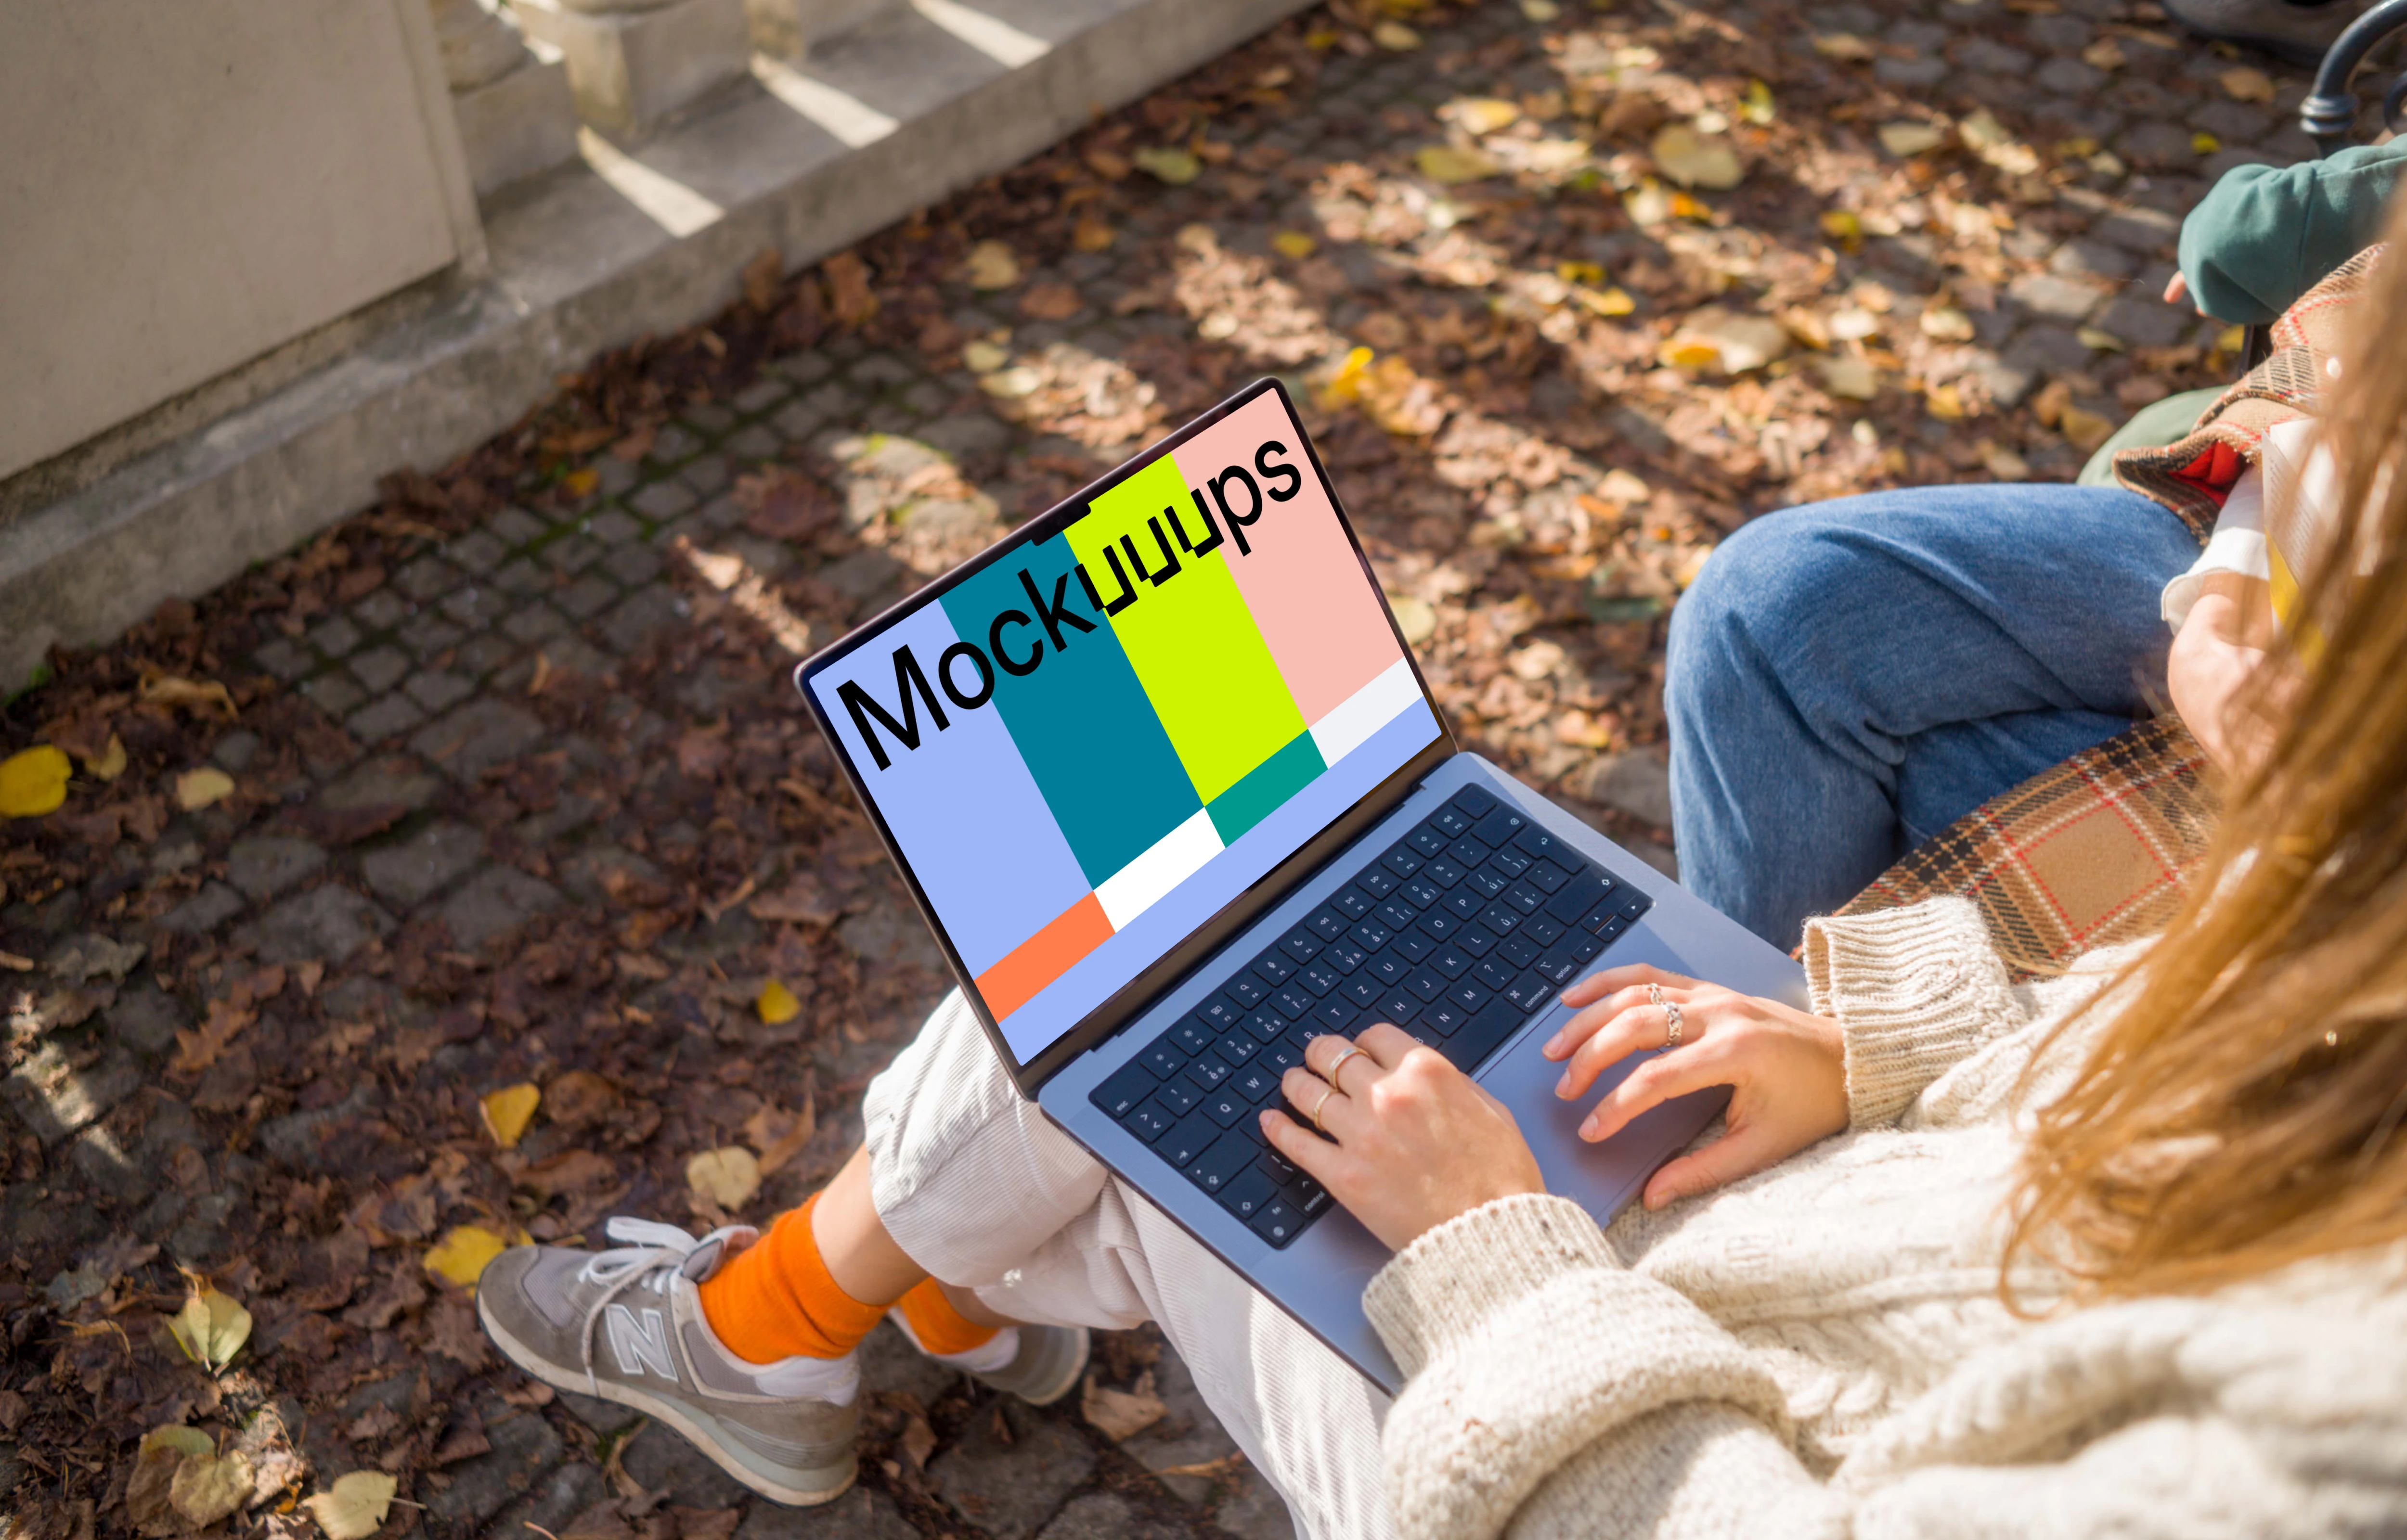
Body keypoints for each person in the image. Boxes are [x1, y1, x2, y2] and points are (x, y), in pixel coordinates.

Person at [477, 198, 2407, 1538]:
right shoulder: (2360, 957)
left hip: (1603, 1402)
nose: (2195, 622)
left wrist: (1495, 1248)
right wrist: (1857, 1048)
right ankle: (928, 1284)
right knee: (1241, 934)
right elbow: (2186, 1024)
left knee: (1142, 1007)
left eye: (2283, 600)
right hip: (1792, 1225)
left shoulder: (2336, 1422)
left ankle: (784, 1327)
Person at [1669, 145, 2404, 951]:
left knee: (1924, 766)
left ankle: (1781, 1041)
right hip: (2318, 571)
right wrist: (2222, 610)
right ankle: (1750, 1042)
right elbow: (2362, 380)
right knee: (1766, 614)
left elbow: (2236, 240)